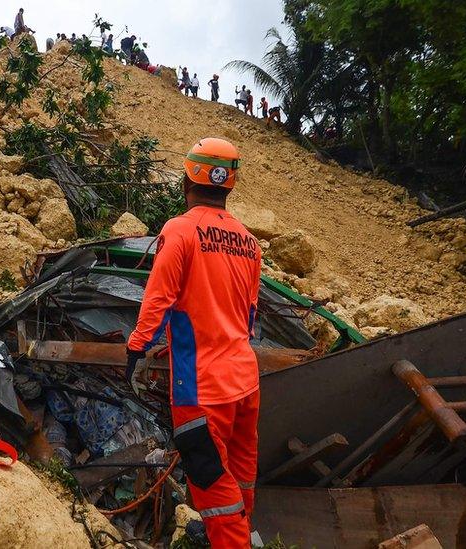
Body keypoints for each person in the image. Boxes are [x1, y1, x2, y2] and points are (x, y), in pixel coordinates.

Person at [127, 137, 260, 549]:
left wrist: (136, 349)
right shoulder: (249, 242)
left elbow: (159, 300)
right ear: (229, 186)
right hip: (245, 380)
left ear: (187, 181)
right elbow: (248, 317)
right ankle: (236, 530)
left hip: (200, 386)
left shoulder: (180, 230)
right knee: (240, 473)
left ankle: (229, 539)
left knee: (210, 481)